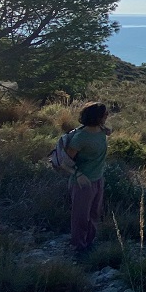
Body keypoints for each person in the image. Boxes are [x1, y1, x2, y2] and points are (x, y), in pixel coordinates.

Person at [66, 102, 111, 256]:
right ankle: (78, 247)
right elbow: (65, 162)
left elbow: (105, 133)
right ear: (97, 117)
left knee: (94, 213)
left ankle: (89, 242)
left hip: (98, 178)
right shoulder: (80, 138)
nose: (107, 116)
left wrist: (105, 129)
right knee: (80, 216)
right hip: (83, 182)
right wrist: (78, 175)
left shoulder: (101, 130)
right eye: (105, 114)